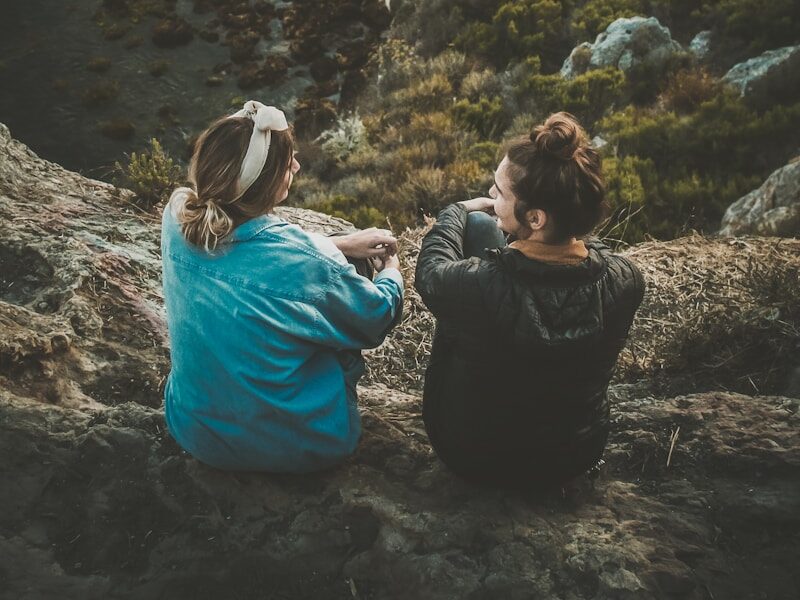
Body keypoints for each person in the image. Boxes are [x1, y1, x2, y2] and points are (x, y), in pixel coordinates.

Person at [161, 100, 404, 473]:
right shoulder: (305, 262)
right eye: (287, 161)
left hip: (195, 431)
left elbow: (253, 259)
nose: (296, 166)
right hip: (295, 446)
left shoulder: (177, 214)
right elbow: (376, 317)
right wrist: (391, 270)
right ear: (265, 183)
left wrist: (338, 244)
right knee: (344, 302)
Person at [414, 112, 645, 490]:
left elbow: (431, 272)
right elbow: (586, 255)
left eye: (499, 192)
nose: (490, 196)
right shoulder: (626, 281)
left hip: (474, 455)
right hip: (572, 456)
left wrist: (455, 211)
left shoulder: (479, 286)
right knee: (487, 232)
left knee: (477, 226)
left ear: (536, 217)